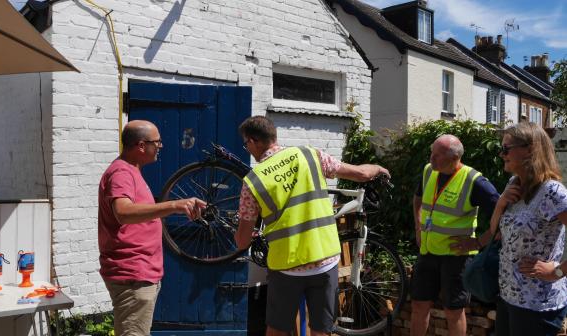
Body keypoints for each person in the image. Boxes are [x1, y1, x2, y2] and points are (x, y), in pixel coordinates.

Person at [234, 116, 389, 336]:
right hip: (324, 261)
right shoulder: (310, 155)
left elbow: (241, 241)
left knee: (277, 331)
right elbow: (361, 174)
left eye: (246, 144)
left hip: (286, 267)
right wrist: (377, 167)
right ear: (273, 136)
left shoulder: (253, 181)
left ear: (252, 141)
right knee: (321, 331)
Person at [98, 120, 206, 336]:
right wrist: (174, 205)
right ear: (140, 145)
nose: (161, 146)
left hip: (141, 272)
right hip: (132, 274)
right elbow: (123, 212)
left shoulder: (131, 171)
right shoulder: (122, 173)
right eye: (157, 142)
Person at [410, 134, 500, 336]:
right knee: (418, 305)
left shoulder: (474, 181)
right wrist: (418, 227)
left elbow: (504, 215)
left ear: (454, 158)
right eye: (431, 153)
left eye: (437, 155)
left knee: (453, 311)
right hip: (427, 252)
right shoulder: (428, 171)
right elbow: (417, 200)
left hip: (456, 257)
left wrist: (478, 242)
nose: (431, 159)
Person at [484, 122, 567, 336]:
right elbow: (496, 232)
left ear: (530, 149)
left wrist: (557, 271)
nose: (502, 154)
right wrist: (501, 203)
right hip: (508, 296)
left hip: (537, 305)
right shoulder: (514, 184)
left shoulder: (552, 191)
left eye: (506, 148)